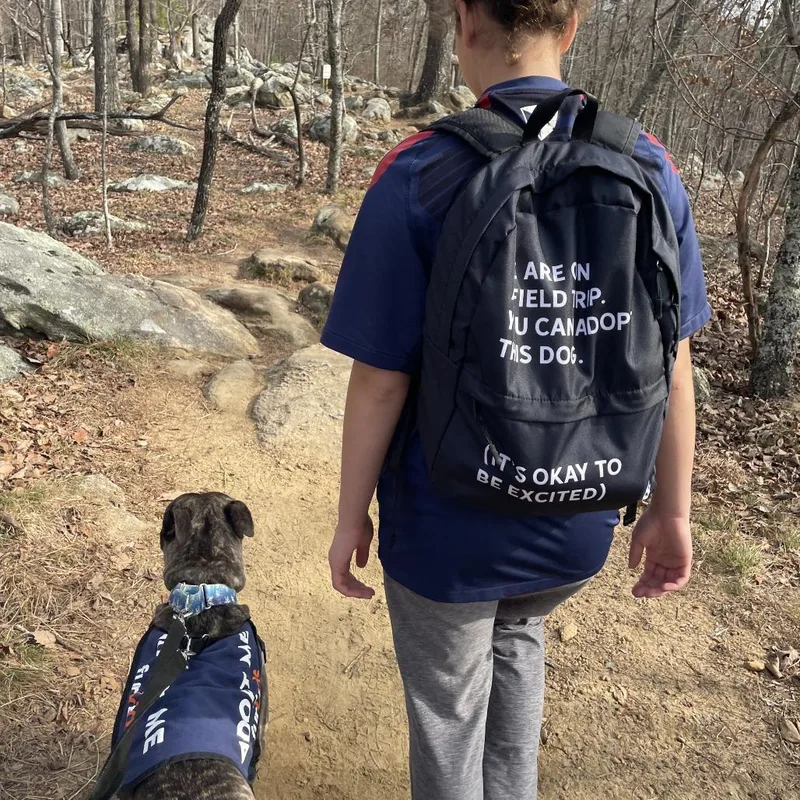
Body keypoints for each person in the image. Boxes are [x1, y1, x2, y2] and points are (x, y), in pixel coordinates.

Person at [321, 0, 712, 797]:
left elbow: (382, 378)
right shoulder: (650, 165)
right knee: (520, 630)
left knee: (448, 715)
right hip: (579, 517)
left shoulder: (419, 170)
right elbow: (674, 365)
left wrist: (348, 514)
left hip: (447, 526)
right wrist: (674, 511)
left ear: (464, 21)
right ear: (573, 26)